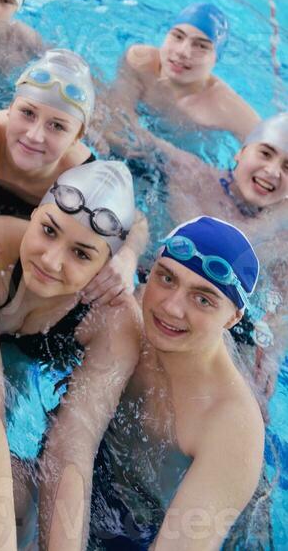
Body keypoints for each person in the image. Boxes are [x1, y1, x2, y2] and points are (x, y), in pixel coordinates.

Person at [0, 160, 140, 551]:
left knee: (15, 514)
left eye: (82, 254)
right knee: (4, 506)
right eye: (48, 231)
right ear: (33, 214)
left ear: (106, 266)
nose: (50, 260)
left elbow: (73, 448)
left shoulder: (113, 320)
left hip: (18, 368)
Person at [39, 217, 264, 551]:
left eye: (203, 299)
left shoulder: (232, 426)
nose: (171, 307)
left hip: (145, 527)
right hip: (88, 482)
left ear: (233, 318)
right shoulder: (128, 318)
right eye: (167, 278)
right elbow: (72, 444)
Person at [0, 49, 147, 304]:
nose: (33, 136)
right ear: (10, 108)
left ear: (77, 138)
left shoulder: (82, 175)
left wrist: (127, 258)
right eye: (27, 113)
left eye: (57, 126)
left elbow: (136, 222)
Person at [119, 111, 288, 398]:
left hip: (222, 317)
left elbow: (283, 299)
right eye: (265, 153)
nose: (272, 171)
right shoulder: (190, 174)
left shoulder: (283, 236)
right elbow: (125, 132)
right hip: (153, 284)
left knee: (253, 393)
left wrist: (272, 349)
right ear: (241, 153)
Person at [102, 2, 259, 142]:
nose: (183, 52)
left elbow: (270, 151)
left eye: (201, 46)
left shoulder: (226, 107)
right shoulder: (140, 62)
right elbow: (115, 118)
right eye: (178, 36)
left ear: (215, 59)